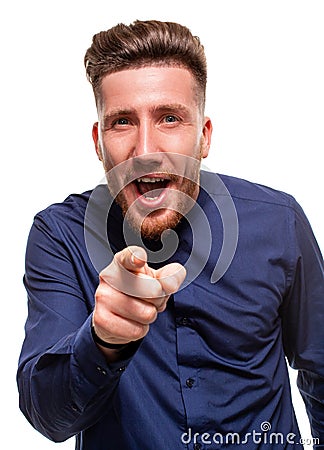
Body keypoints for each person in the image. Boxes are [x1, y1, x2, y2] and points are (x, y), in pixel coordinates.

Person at [17, 20, 323, 450]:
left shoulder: (280, 222)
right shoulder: (60, 235)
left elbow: (322, 370)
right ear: (97, 141)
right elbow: (48, 418)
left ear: (204, 136)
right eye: (122, 122)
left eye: (170, 118)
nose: (145, 150)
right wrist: (103, 340)